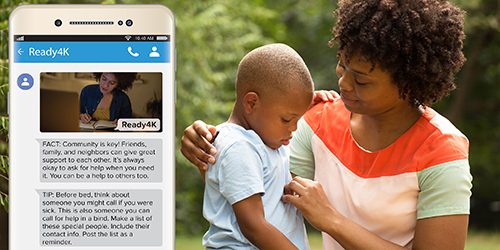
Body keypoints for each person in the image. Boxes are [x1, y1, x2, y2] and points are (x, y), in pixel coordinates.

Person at [181, 0, 472, 249]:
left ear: (408, 82)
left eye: (361, 80)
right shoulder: (316, 122)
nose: (342, 84)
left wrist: (332, 220)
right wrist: (210, 145)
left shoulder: (442, 152)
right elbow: (252, 185)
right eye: (342, 64)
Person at [201, 43, 314, 250]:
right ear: (251, 103)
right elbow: (253, 226)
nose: (294, 128)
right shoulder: (238, 146)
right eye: (287, 119)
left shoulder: (266, 139)